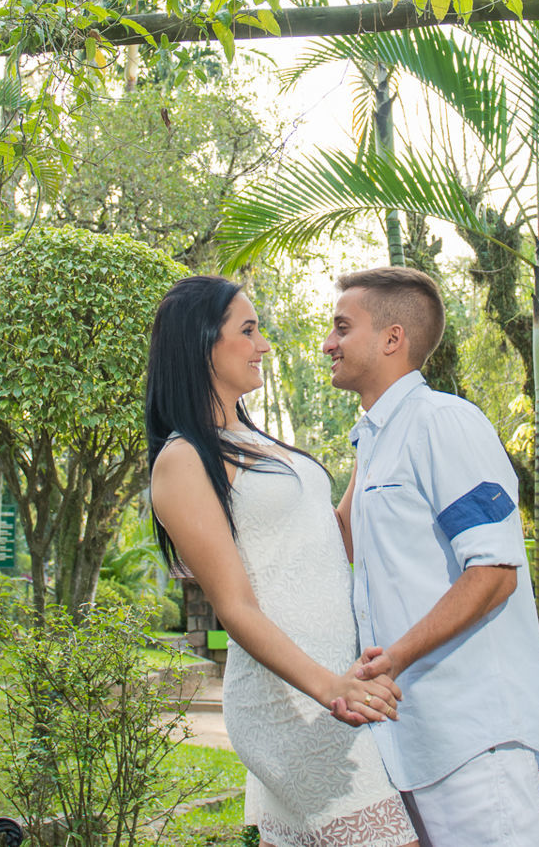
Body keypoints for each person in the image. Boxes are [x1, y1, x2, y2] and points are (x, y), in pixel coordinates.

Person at [147, 276, 418, 847]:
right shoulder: (182, 459)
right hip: (292, 700)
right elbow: (235, 607)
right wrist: (331, 689)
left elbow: (332, 538)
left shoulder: (252, 439)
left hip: (331, 686)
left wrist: (375, 432)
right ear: (202, 346)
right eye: (247, 331)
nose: (264, 344)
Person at [329, 266, 539, 847]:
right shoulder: (372, 440)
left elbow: (494, 572)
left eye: (341, 327)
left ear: (391, 339)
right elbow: (338, 539)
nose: (328, 344)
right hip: (410, 735)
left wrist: (394, 659)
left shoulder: (443, 422)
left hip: (470, 734)